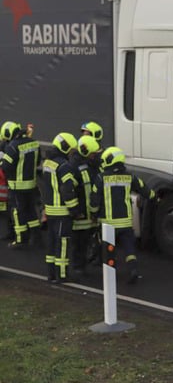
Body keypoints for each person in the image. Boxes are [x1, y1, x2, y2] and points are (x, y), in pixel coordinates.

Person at [90, 146, 156, 284]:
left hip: (108, 223)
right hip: (125, 221)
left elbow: (94, 199)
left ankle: (110, 273)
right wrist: (155, 197)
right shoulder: (129, 176)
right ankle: (133, 270)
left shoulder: (101, 177)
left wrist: (93, 214)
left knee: (108, 248)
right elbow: (146, 190)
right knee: (129, 248)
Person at [38, 133, 80, 283]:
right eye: (71, 150)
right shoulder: (64, 166)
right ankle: (62, 275)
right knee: (62, 243)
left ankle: (51, 273)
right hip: (62, 211)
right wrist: (74, 209)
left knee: (51, 242)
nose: (72, 153)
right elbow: (67, 190)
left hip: (50, 210)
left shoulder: (47, 163)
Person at [1, 121, 41, 248]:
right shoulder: (34, 142)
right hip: (31, 185)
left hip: (17, 186)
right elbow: (38, 161)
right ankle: (36, 237)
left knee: (17, 213)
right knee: (31, 211)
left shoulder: (12, 146)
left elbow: (6, 166)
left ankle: (21, 240)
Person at [69, 135, 100, 279]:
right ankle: (78, 267)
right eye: (93, 154)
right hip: (80, 213)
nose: (95, 156)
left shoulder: (90, 166)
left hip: (88, 213)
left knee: (86, 241)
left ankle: (83, 264)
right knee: (78, 243)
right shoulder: (74, 168)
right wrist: (75, 211)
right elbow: (70, 191)